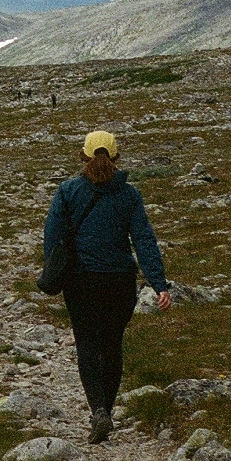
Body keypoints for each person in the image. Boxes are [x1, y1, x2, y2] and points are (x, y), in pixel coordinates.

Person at [42, 129, 172, 443]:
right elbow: (143, 239)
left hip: (81, 280)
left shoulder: (68, 191)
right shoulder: (130, 195)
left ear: (83, 157)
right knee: (112, 345)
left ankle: (98, 409)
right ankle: (108, 410)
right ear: (115, 158)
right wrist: (158, 283)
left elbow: (52, 236)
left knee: (87, 344)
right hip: (120, 280)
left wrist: (54, 270)